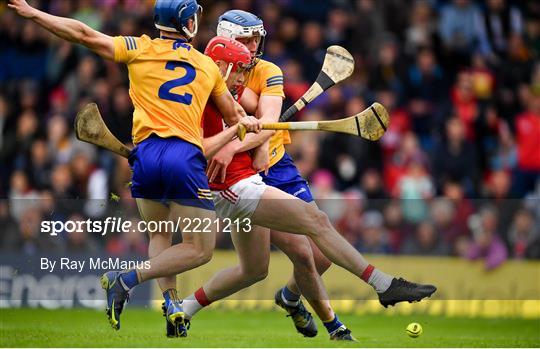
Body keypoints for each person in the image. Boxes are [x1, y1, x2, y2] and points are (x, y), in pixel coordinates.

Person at [181, 10, 436, 341]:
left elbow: (268, 120)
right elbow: (236, 114)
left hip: (274, 168)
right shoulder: (211, 76)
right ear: (227, 42)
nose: (254, 45)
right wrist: (235, 142)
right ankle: (340, 323)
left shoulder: (266, 71)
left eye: (258, 38)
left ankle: (274, 300)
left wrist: (244, 142)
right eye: (246, 39)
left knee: (304, 258)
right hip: (235, 179)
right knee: (291, 250)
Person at [8, 0, 261, 332]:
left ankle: (170, 302)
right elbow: (234, 115)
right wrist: (248, 125)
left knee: (160, 231)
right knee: (201, 250)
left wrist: (34, 13)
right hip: (182, 155)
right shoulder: (206, 65)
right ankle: (126, 278)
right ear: (188, 25)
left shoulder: (137, 48)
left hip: (142, 156)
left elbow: (82, 33)